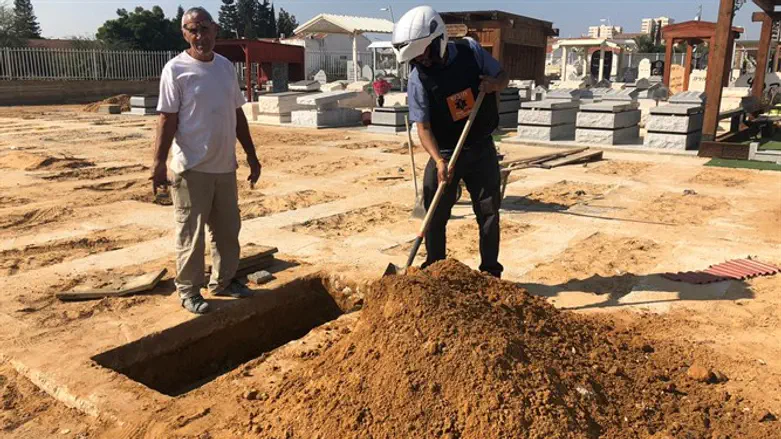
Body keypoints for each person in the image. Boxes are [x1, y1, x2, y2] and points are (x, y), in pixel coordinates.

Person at [151, 7, 261, 314]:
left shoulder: (225, 67)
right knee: (191, 234)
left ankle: (224, 282)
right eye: (192, 30)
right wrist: (158, 163)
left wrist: (251, 155)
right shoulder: (175, 70)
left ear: (215, 30)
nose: (200, 36)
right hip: (191, 168)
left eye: (205, 29)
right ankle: (188, 290)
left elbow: (237, 114)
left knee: (227, 231)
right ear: (185, 34)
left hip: (224, 166)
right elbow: (166, 120)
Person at [392, 6, 509, 278]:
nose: (421, 60)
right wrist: (438, 160)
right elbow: (423, 127)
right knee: (434, 213)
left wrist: (494, 85)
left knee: (489, 212)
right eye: (415, 57)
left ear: (438, 41)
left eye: (423, 53)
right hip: (444, 150)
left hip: (480, 147)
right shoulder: (418, 78)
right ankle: (435, 269)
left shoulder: (472, 52)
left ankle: (491, 272)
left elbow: (502, 76)